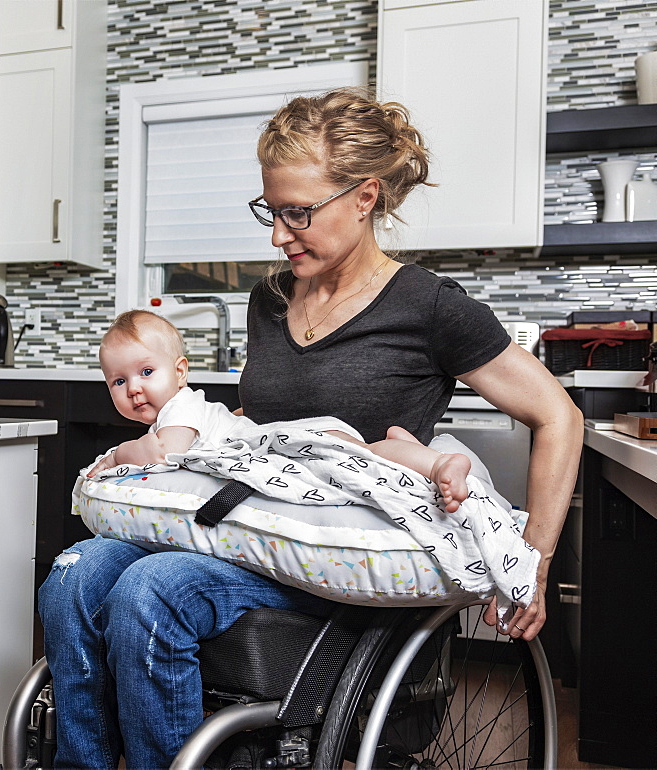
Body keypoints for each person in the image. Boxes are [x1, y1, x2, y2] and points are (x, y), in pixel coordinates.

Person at [37, 86, 582, 769]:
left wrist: (532, 563)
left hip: (335, 556)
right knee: (74, 573)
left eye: (297, 212)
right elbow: (267, 426)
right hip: (240, 525)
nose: (276, 234)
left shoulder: (430, 307)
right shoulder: (268, 301)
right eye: (270, 209)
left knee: (150, 591)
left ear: (365, 196)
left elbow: (558, 415)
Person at [87, 309, 473, 512]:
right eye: (118, 382)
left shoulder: (179, 408)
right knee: (369, 452)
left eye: (146, 372)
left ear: (180, 371)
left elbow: (160, 453)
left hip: (286, 445)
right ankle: (407, 448)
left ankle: (437, 464)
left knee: (366, 454)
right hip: (294, 437)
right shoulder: (187, 409)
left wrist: (118, 455)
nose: (133, 388)